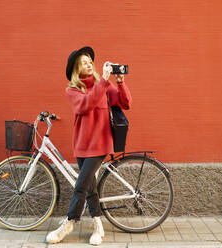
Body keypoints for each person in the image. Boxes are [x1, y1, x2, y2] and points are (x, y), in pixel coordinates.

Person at [46, 46, 132, 245]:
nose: (89, 63)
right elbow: (85, 105)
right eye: (84, 62)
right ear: (77, 69)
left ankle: (68, 223)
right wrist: (103, 80)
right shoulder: (72, 90)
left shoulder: (103, 84)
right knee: (91, 188)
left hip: (100, 143)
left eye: (89, 61)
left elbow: (124, 103)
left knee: (81, 186)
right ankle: (98, 225)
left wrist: (120, 84)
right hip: (82, 145)